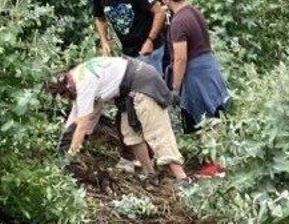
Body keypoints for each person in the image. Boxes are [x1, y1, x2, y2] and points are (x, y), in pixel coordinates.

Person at [47, 56, 186, 182]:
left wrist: (71, 155)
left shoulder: (83, 83)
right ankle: (150, 175)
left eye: (63, 94)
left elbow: (82, 124)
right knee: (130, 135)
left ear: (67, 85)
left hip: (142, 84)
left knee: (158, 134)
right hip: (128, 93)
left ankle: (182, 179)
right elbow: (83, 115)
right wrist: (64, 142)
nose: (65, 98)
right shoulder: (78, 75)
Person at [155, 0, 231, 176]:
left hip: (196, 75)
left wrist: (175, 89)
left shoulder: (179, 21)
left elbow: (180, 59)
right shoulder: (194, 12)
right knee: (214, 114)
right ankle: (215, 161)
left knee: (203, 118)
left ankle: (213, 164)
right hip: (208, 67)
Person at [91, 0, 166, 70]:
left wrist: (150, 40)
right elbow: (100, 18)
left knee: (152, 85)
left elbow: (159, 12)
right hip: (128, 53)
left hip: (150, 49)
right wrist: (104, 40)